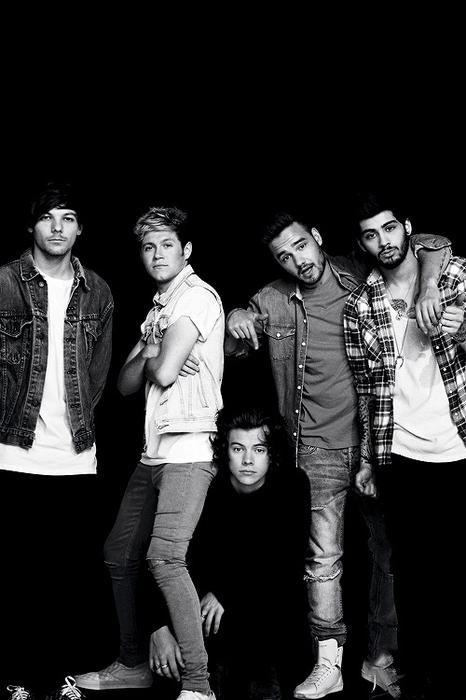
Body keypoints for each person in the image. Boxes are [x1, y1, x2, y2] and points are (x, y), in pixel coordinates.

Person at [224, 211, 450, 699]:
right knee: (323, 559)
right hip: (315, 449)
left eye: (301, 245)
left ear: (317, 237)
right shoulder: (271, 300)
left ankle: (379, 659)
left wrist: (431, 285)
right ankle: (330, 664)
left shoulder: (359, 273)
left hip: (377, 442)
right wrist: (235, 316)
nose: (297, 260)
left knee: (387, 553)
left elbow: (432, 243)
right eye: (284, 256)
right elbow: (229, 348)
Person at [75, 206, 224, 700]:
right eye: (148, 247)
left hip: (189, 448)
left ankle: (198, 684)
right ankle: (133, 663)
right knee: (120, 553)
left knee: (165, 558)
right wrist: (156, 349)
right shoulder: (159, 307)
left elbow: (158, 373)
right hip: (152, 453)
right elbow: (124, 383)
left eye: (167, 245)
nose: (157, 254)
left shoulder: (198, 296)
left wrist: (154, 354)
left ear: (186, 250)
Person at [344, 191, 466, 700]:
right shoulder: (360, 306)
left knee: (456, 566)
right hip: (402, 454)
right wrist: (368, 460)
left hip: (458, 443)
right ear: (362, 244)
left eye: (390, 228)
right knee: (412, 573)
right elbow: (366, 388)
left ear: (407, 227)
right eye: (371, 235)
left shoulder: (453, 276)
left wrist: (463, 331)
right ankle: (422, 680)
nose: (384, 241)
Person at [0, 182, 113, 699]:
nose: (58, 227)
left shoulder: (99, 292)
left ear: (80, 228)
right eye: (48, 217)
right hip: (12, 451)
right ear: (32, 225)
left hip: (74, 456)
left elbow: (97, 375)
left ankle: (59, 676)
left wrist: (77, 427)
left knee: (66, 576)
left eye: (68, 217)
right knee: (17, 574)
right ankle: (17, 677)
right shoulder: (4, 282)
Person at [148, 405, 311, 700]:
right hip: (206, 627)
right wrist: (157, 629)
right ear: (225, 450)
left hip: (267, 623)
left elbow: (286, 564)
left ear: (271, 452)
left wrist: (225, 593)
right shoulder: (205, 486)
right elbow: (161, 556)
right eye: (238, 448)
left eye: (259, 449)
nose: (248, 460)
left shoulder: (292, 485)